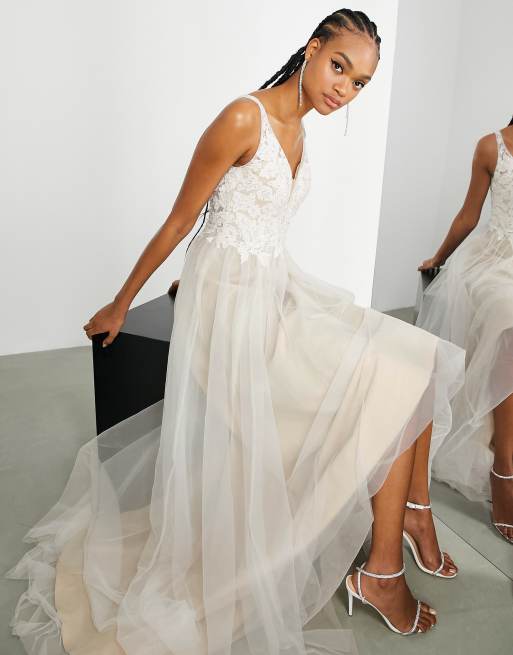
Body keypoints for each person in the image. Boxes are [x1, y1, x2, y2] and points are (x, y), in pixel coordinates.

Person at [5, 9, 466, 655]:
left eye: (359, 83)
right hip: (232, 311)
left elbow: (250, 221)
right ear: (312, 49)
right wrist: (121, 303)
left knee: (417, 352)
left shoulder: (300, 125)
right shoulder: (243, 118)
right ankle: (382, 572)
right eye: (338, 67)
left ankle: (409, 521)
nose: (344, 88)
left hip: (274, 289)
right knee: (394, 371)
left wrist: (216, 266)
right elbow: (180, 221)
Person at [417, 117, 513, 543]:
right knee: (507, 318)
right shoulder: (492, 147)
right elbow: (469, 216)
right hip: (496, 263)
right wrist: (438, 258)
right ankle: (504, 466)